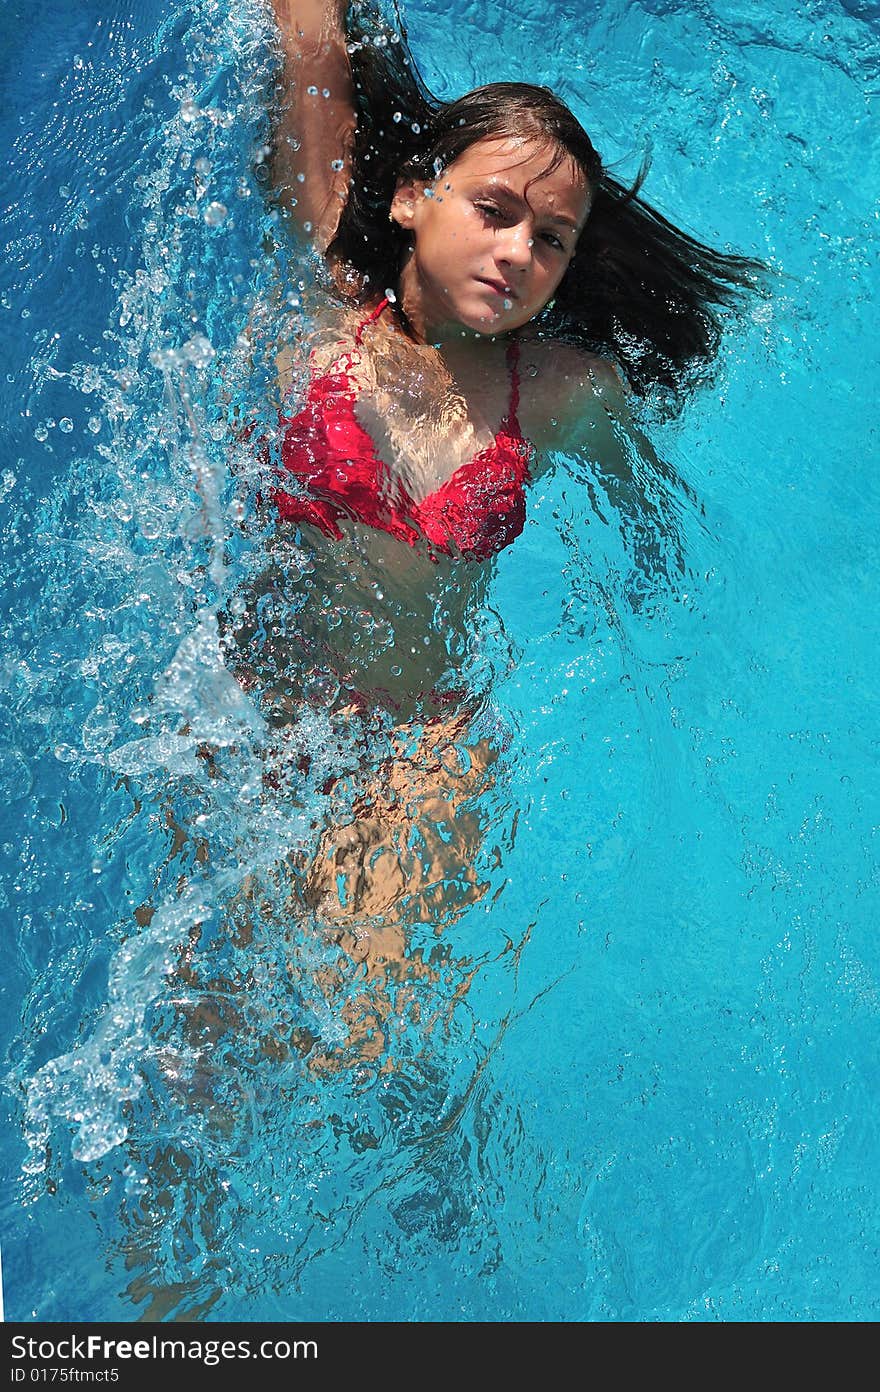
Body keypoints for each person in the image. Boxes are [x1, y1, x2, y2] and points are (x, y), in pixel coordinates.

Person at [222, 0, 762, 1051]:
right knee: (206, 1043)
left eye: (550, 240)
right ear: (413, 198)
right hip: (256, 712)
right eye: (496, 209)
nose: (519, 251)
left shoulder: (564, 393)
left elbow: (651, 520)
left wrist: (670, 622)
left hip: (422, 739)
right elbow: (309, 48)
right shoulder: (330, 302)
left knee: (355, 1036)